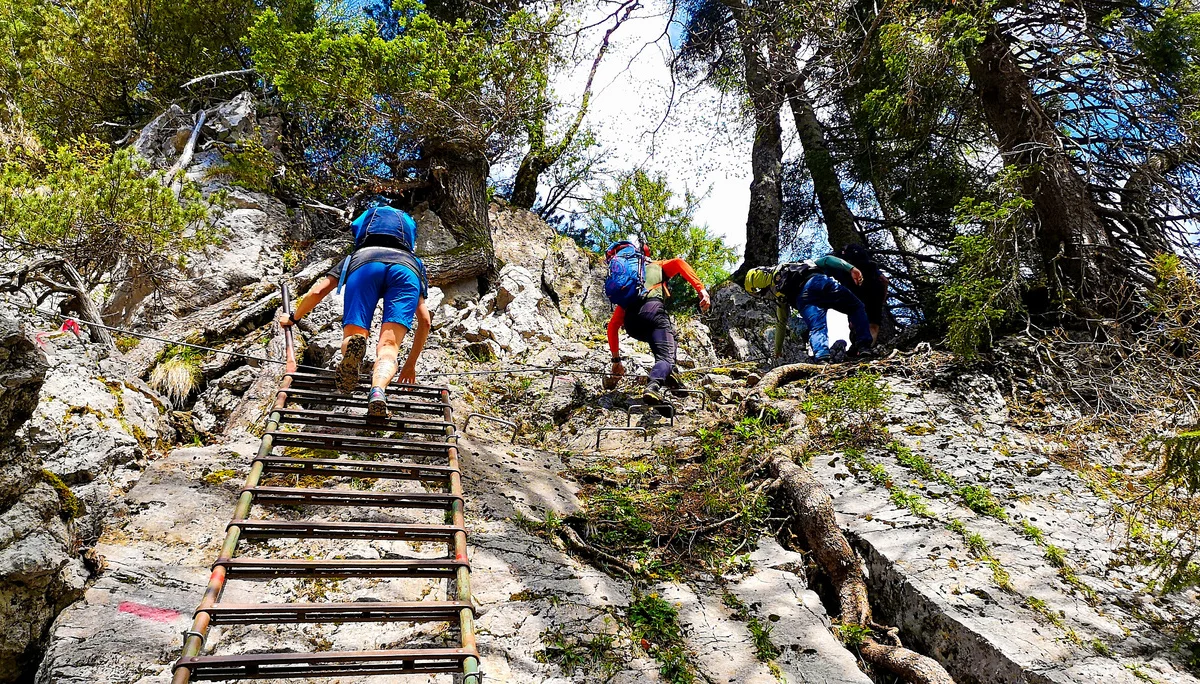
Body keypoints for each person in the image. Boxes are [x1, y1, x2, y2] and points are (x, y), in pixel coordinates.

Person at [278, 203, 431, 417]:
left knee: (354, 334)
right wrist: (410, 365)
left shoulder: (354, 256)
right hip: (405, 271)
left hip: (364, 264)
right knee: (389, 347)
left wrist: (293, 318)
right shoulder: (415, 263)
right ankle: (377, 391)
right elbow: (425, 320)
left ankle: (353, 347)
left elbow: (318, 291)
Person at [605, 236, 711, 403]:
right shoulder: (655, 266)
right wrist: (701, 290)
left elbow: (612, 327)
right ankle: (653, 386)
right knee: (665, 355)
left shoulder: (629, 289)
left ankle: (671, 374)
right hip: (653, 311)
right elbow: (679, 263)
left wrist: (616, 361)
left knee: (667, 340)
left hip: (632, 324)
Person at [744, 255, 874, 363]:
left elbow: (781, 324)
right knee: (856, 307)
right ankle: (864, 346)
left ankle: (822, 358)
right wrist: (851, 268)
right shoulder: (795, 265)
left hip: (804, 299)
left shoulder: (780, 293)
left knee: (817, 327)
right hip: (819, 281)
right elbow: (827, 260)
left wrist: (777, 351)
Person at [832, 243, 889, 343]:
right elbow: (884, 280)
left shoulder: (841, 267)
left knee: (854, 322)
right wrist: (882, 299)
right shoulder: (869, 265)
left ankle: (859, 345)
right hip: (873, 291)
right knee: (873, 325)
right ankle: (867, 347)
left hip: (853, 291)